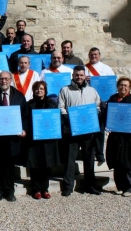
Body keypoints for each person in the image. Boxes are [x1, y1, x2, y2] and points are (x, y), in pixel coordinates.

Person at [0, 71, 28, 202]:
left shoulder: (19, 96)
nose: (4, 81)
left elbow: (24, 116)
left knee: (9, 166)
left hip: (12, 138)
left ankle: (9, 191)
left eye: (6, 79)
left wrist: (24, 130)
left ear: (11, 80)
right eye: (1, 79)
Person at [58, 65, 102, 196]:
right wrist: (70, 119)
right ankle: (68, 186)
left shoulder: (92, 91)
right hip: (72, 130)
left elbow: (98, 106)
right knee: (70, 159)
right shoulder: (65, 90)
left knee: (89, 159)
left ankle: (90, 185)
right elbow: (61, 107)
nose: (79, 77)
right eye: (77, 75)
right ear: (73, 76)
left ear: (85, 76)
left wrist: (94, 113)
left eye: (81, 75)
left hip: (88, 130)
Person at [104, 77, 131, 197]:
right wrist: (108, 124)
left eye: (126, 85)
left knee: (129, 163)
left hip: (129, 138)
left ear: (129, 88)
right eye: (121, 85)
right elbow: (107, 115)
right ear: (117, 86)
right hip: (116, 137)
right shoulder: (112, 100)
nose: (123, 87)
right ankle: (120, 187)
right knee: (117, 162)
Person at [25, 81, 60, 199]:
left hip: (48, 139)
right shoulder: (29, 104)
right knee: (34, 165)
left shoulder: (52, 104)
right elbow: (25, 120)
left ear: (45, 91)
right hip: (34, 139)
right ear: (33, 90)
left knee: (46, 164)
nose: (39, 90)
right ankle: (36, 189)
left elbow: (56, 119)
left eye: (41, 88)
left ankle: (45, 189)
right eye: (37, 89)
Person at [85, 47, 115, 163]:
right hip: (88, 102)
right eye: (91, 54)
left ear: (99, 55)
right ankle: (88, 152)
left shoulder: (106, 68)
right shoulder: (84, 68)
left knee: (100, 129)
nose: (94, 56)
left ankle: (99, 153)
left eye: (96, 54)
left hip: (102, 102)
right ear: (89, 55)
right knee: (88, 129)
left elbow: (112, 85)